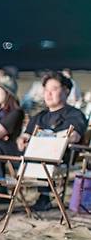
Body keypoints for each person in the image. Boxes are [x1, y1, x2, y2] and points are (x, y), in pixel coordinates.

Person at [19, 71, 87, 211]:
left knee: (44, 149)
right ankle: (0, 191)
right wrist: (22, 140)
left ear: (66, 91)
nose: (49, 94)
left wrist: (52, 138)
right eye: (46, 90)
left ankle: (44, 196)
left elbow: (75, 136)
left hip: (62, 156)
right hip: (33, 155)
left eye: (54, 89)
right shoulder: (39, 116)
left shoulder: (74, 114)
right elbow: (25, 136)